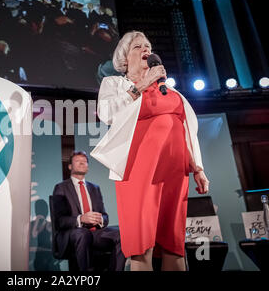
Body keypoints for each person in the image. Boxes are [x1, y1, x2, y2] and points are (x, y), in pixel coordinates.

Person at [90, 31, 210, 271]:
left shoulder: (169, 90)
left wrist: (197, 167)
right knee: (141, 245)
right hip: (138, 171)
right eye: (137, 47)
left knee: (173, 244)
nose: (146, 49)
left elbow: (187, 131)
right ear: (124, 57)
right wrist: (143, 84)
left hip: (175, 172)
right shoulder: (114, 83)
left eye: (148, 46)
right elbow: (107, 114)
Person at [52, 151, 126, 271]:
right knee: (82, 233)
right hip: (74, 233)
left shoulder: (94, 188)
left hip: (95, 233)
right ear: (70, 166)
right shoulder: (61, 188)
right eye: (77, 161)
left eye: (85, 161)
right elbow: (59, 221)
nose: (82, 163)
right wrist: (81, 219)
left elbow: (105, 216)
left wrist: (100, 219)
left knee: (122, 235)